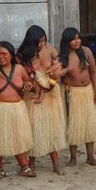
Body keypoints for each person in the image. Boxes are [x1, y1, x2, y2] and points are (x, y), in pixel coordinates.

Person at [17, 25, 67, 174]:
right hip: (32, 93)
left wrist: (57, 72)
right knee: (33, 129)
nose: (42, 44)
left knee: (50, 129)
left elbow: (61, 64)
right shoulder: (21, 55)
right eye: (39, 41)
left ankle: (56, 164)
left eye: (44, 40)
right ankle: (31, 164)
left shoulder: (50, 48)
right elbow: (20, 75)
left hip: (50, 93)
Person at [0, 41, 35, 179]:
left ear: (11, 55)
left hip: (17, 108)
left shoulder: (19, 68)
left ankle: (24, 166)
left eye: (4, 54)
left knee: (18, 137)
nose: (0, 57)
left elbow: (29, 82)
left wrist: (28, 86)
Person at [59, 27, 96, 167]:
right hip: (72, 93)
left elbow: (94, 73)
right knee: (73, 125)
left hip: (88, 91)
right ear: (67, 41)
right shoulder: (62, 57)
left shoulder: (86, 51)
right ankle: (73, 157)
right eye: (73, 39)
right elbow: (58, 77)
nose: (77, 41)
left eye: (78, 38)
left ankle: (90, 156)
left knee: (89, 124)